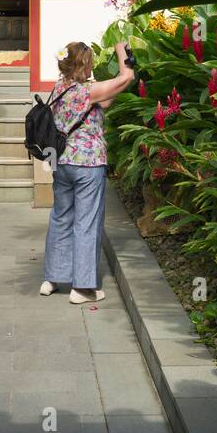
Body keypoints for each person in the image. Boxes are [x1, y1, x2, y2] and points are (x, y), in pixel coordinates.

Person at [40, 41, 135, 305]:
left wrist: (117, 84)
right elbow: (127, 77)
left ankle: (52, 278)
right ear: (84, 64)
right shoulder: (85, 91)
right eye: (90, 61)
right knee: (86, 223)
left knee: (61, 217)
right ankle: (82, 288)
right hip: (87, 163)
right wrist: (121, 51)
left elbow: (102, 103)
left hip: (63, 163)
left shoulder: (60, 88)